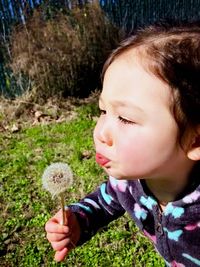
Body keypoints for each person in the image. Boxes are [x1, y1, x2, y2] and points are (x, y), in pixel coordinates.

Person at [45, 21, 200, 266]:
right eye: (103, 110)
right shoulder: (127, 185)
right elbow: (104, 202)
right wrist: (79, 220)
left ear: (196, 140)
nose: (100, 133)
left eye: (126, 119)